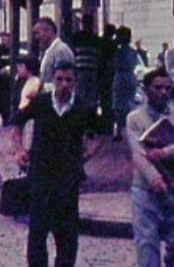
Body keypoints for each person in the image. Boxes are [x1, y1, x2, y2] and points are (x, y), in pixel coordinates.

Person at [10, 61, 104, 267]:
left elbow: (101, 133)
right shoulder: (41, 103)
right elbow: (17, 123)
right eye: (59, 79)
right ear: (53, 80)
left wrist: (87, 154)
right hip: (40, 173)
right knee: (37, 231)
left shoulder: (82, 107)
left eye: (68, 80)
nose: (64, 84)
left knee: (67, 233)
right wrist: (19, 149)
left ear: (75, 82)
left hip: (68, 177)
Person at [127, 68, 174, 267]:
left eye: (167, 88)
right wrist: (153, 178)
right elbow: (138, 154)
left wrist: (165, 152)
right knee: (147, 245)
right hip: (145, 190)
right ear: (146, 90)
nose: (163, 92)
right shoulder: (134, 119)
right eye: (157, 87)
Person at [111, 26, 140, 141]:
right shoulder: (133, 52)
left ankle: (120, 131)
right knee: (128, 104)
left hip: (120, 77)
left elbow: (114, 64)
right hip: (129, 77)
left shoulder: (117, 52)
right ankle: (128, 130)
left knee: (119, 104)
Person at [70, 13, 102, 111]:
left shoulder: (76, 37)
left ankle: (81, 116)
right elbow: (99, 57)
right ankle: (91, 116)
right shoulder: (96, 39)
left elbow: (72, 54)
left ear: (82, 23)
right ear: (92, 24)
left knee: (80, 96)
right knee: (92, 97)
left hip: (79, 71)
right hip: (93, 71)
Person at [33, 17, 75, 91]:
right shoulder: (48, 51)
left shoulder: (61, 50)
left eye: (38, 33)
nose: (36, 37)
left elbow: (65, 80)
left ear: (49, 31)